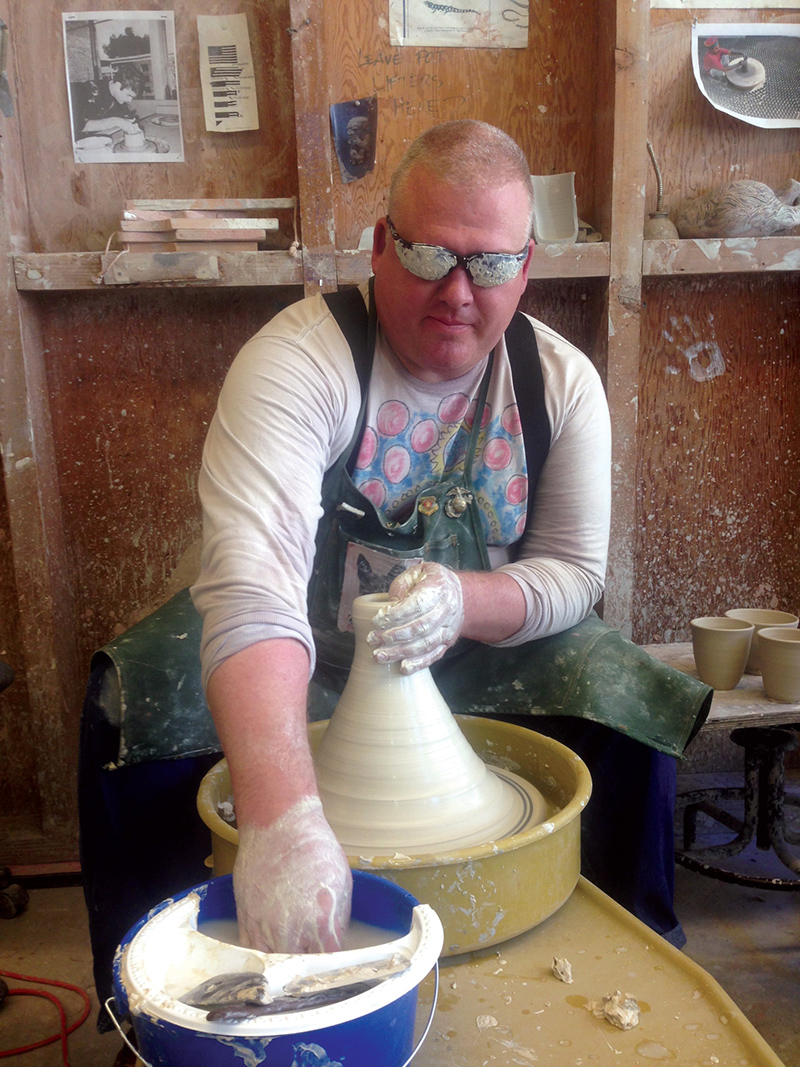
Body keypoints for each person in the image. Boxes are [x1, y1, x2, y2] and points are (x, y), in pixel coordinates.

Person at [191, 119, 709, 958]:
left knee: (627, 694)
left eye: (493, 263)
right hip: (308, 654)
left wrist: (462, 599)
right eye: (431, 255)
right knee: (132, 708)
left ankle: (631, 953)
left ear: (527, 265)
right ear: (379, 247)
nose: (460, 292)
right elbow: (252, 583)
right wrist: (281, 820)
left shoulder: (562, 385)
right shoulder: (298, 362)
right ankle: (160, 993)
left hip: (484, 644)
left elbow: (575, 572)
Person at [71, 66, 143, 138]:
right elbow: (80, 126)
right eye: (128, 95)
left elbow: (126, 117)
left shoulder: (116, 98)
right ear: (118, 84)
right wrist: (116, 121)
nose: (130, 100)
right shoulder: (85, 91)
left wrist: (132, 125)